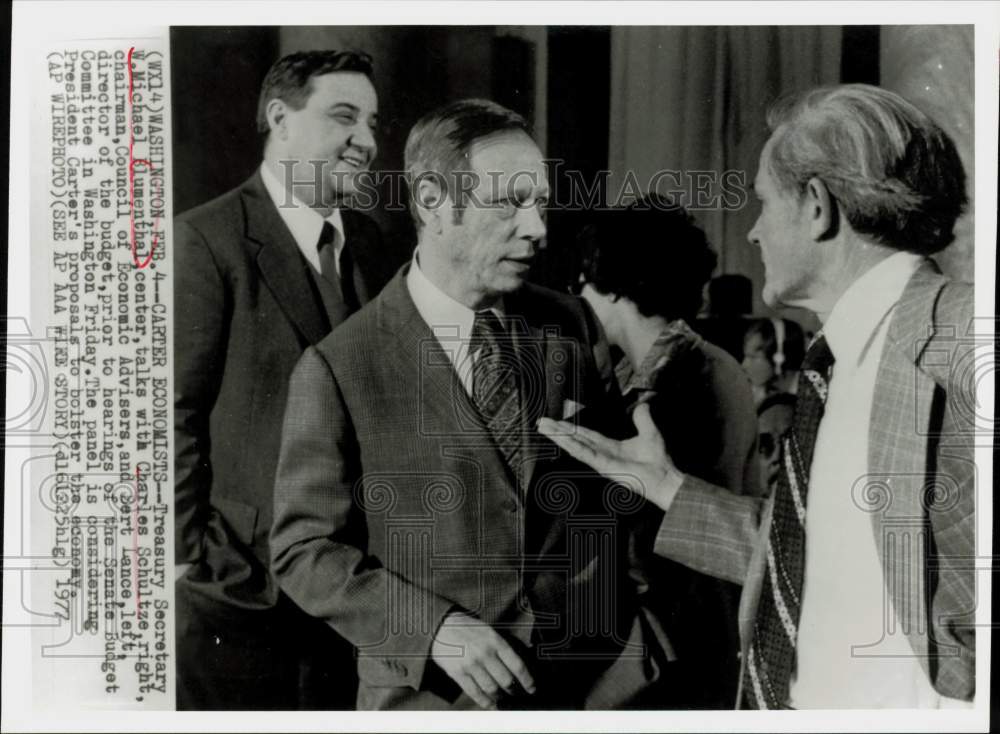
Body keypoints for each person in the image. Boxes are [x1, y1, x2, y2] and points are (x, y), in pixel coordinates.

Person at [539, 83, 975, 709]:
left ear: (818, 207)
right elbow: (809, 558)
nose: (752, 233)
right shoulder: (837, 360)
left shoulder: (965, 338)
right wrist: (666, 487)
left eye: (765, 204)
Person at [270, 99, 669, 710]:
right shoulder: (338, 367)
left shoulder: (570, 322)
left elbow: (620, 487)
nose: (538, 227)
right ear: (432, 201)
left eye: (539, 201)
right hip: (442, 699)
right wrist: (434, 630)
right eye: (510, 201)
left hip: (597, 687)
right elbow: (303, 552)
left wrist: (629, 610)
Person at [174, 50, 403, 709]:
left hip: (352, 591)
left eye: (373, 122)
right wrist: (191, 560)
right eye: (343, 117)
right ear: (280, 118)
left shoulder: (374, 243)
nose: (366, 140)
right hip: (240, 593)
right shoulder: (205, 241)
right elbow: (171, 413)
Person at [574, 197, 760, 707]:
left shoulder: (688, 379)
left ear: (614, 286)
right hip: (679, 638)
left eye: (585, 282)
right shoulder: (684, 366)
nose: (579, 296)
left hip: (679, 648)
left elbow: (672, 536)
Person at [740, 317, 806, 406]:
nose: (744, 365)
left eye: (753, 357)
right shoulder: (757, 393)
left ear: (779, 358)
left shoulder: (809, 396)